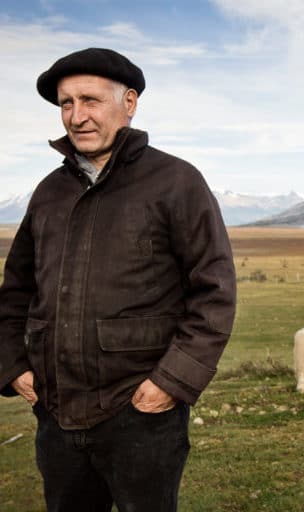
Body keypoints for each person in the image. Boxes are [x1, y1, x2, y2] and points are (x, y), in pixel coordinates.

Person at [0, 47, 237, 512]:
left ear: (128, 103)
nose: (76, 116)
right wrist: (12, 367)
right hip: (57, 415)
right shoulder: (49, 192)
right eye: (66, 103)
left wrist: (171, 382)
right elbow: (16, 292)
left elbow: (214, 292)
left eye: (90, 100)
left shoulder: (176, 182)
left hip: (141, 416)